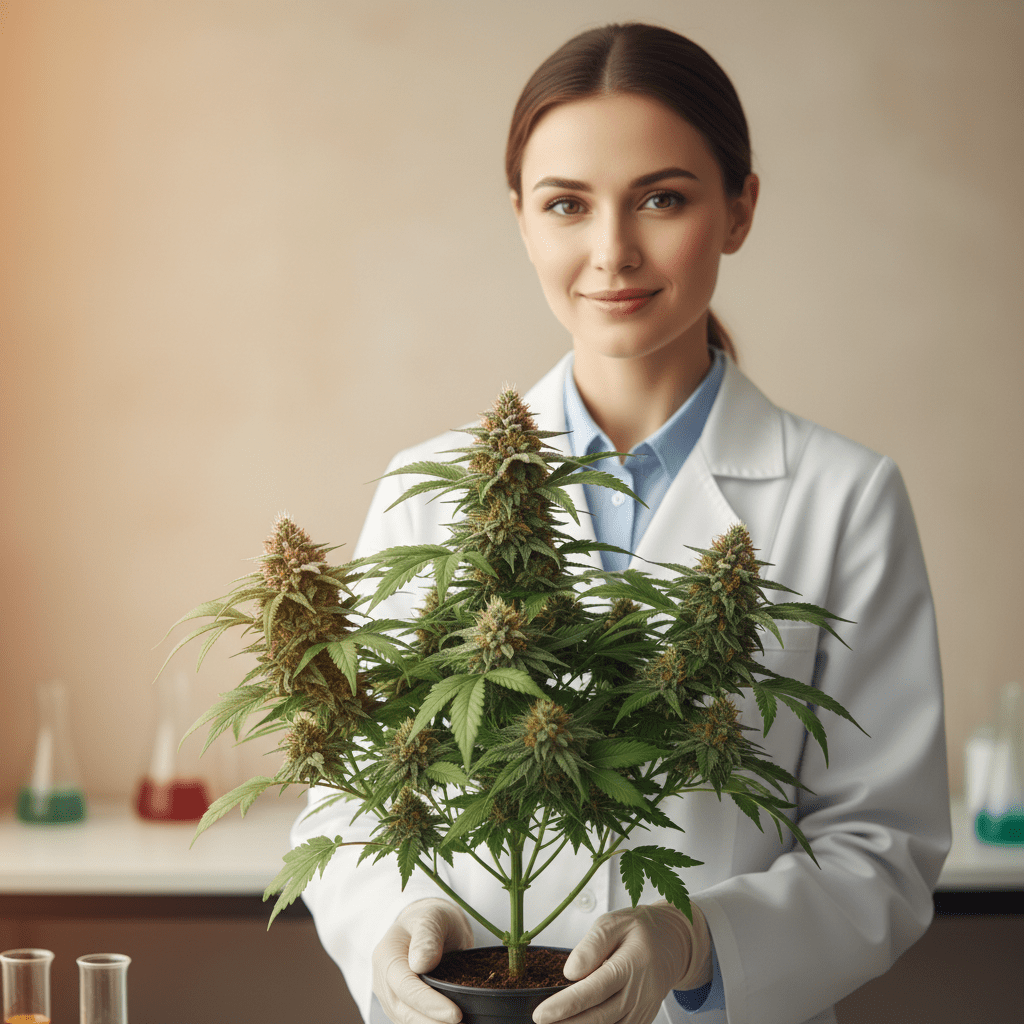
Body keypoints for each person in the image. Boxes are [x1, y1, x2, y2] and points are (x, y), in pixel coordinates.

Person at [292, 23, 950, 1024]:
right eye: (566, 204)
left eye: (662, 198)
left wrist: (698, 942)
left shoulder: (843, 497)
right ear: (520, 219)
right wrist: (393, 925)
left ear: (738, 210)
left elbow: (883, 848)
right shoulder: (426, 487)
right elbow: (348, 801)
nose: (611, 252)